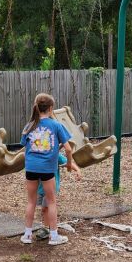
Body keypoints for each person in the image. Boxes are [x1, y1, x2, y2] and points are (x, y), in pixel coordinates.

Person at [20, 92, 80, 247]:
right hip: (47, 169)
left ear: (36, 107)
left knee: (31, 201)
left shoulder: (29, 125)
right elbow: (68, 149)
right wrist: (69, 164)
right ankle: (54, 237)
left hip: (31, 168)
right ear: (51, 108)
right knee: (51, 202)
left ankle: (27, 235)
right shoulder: (56, 125)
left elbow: (25, 148)